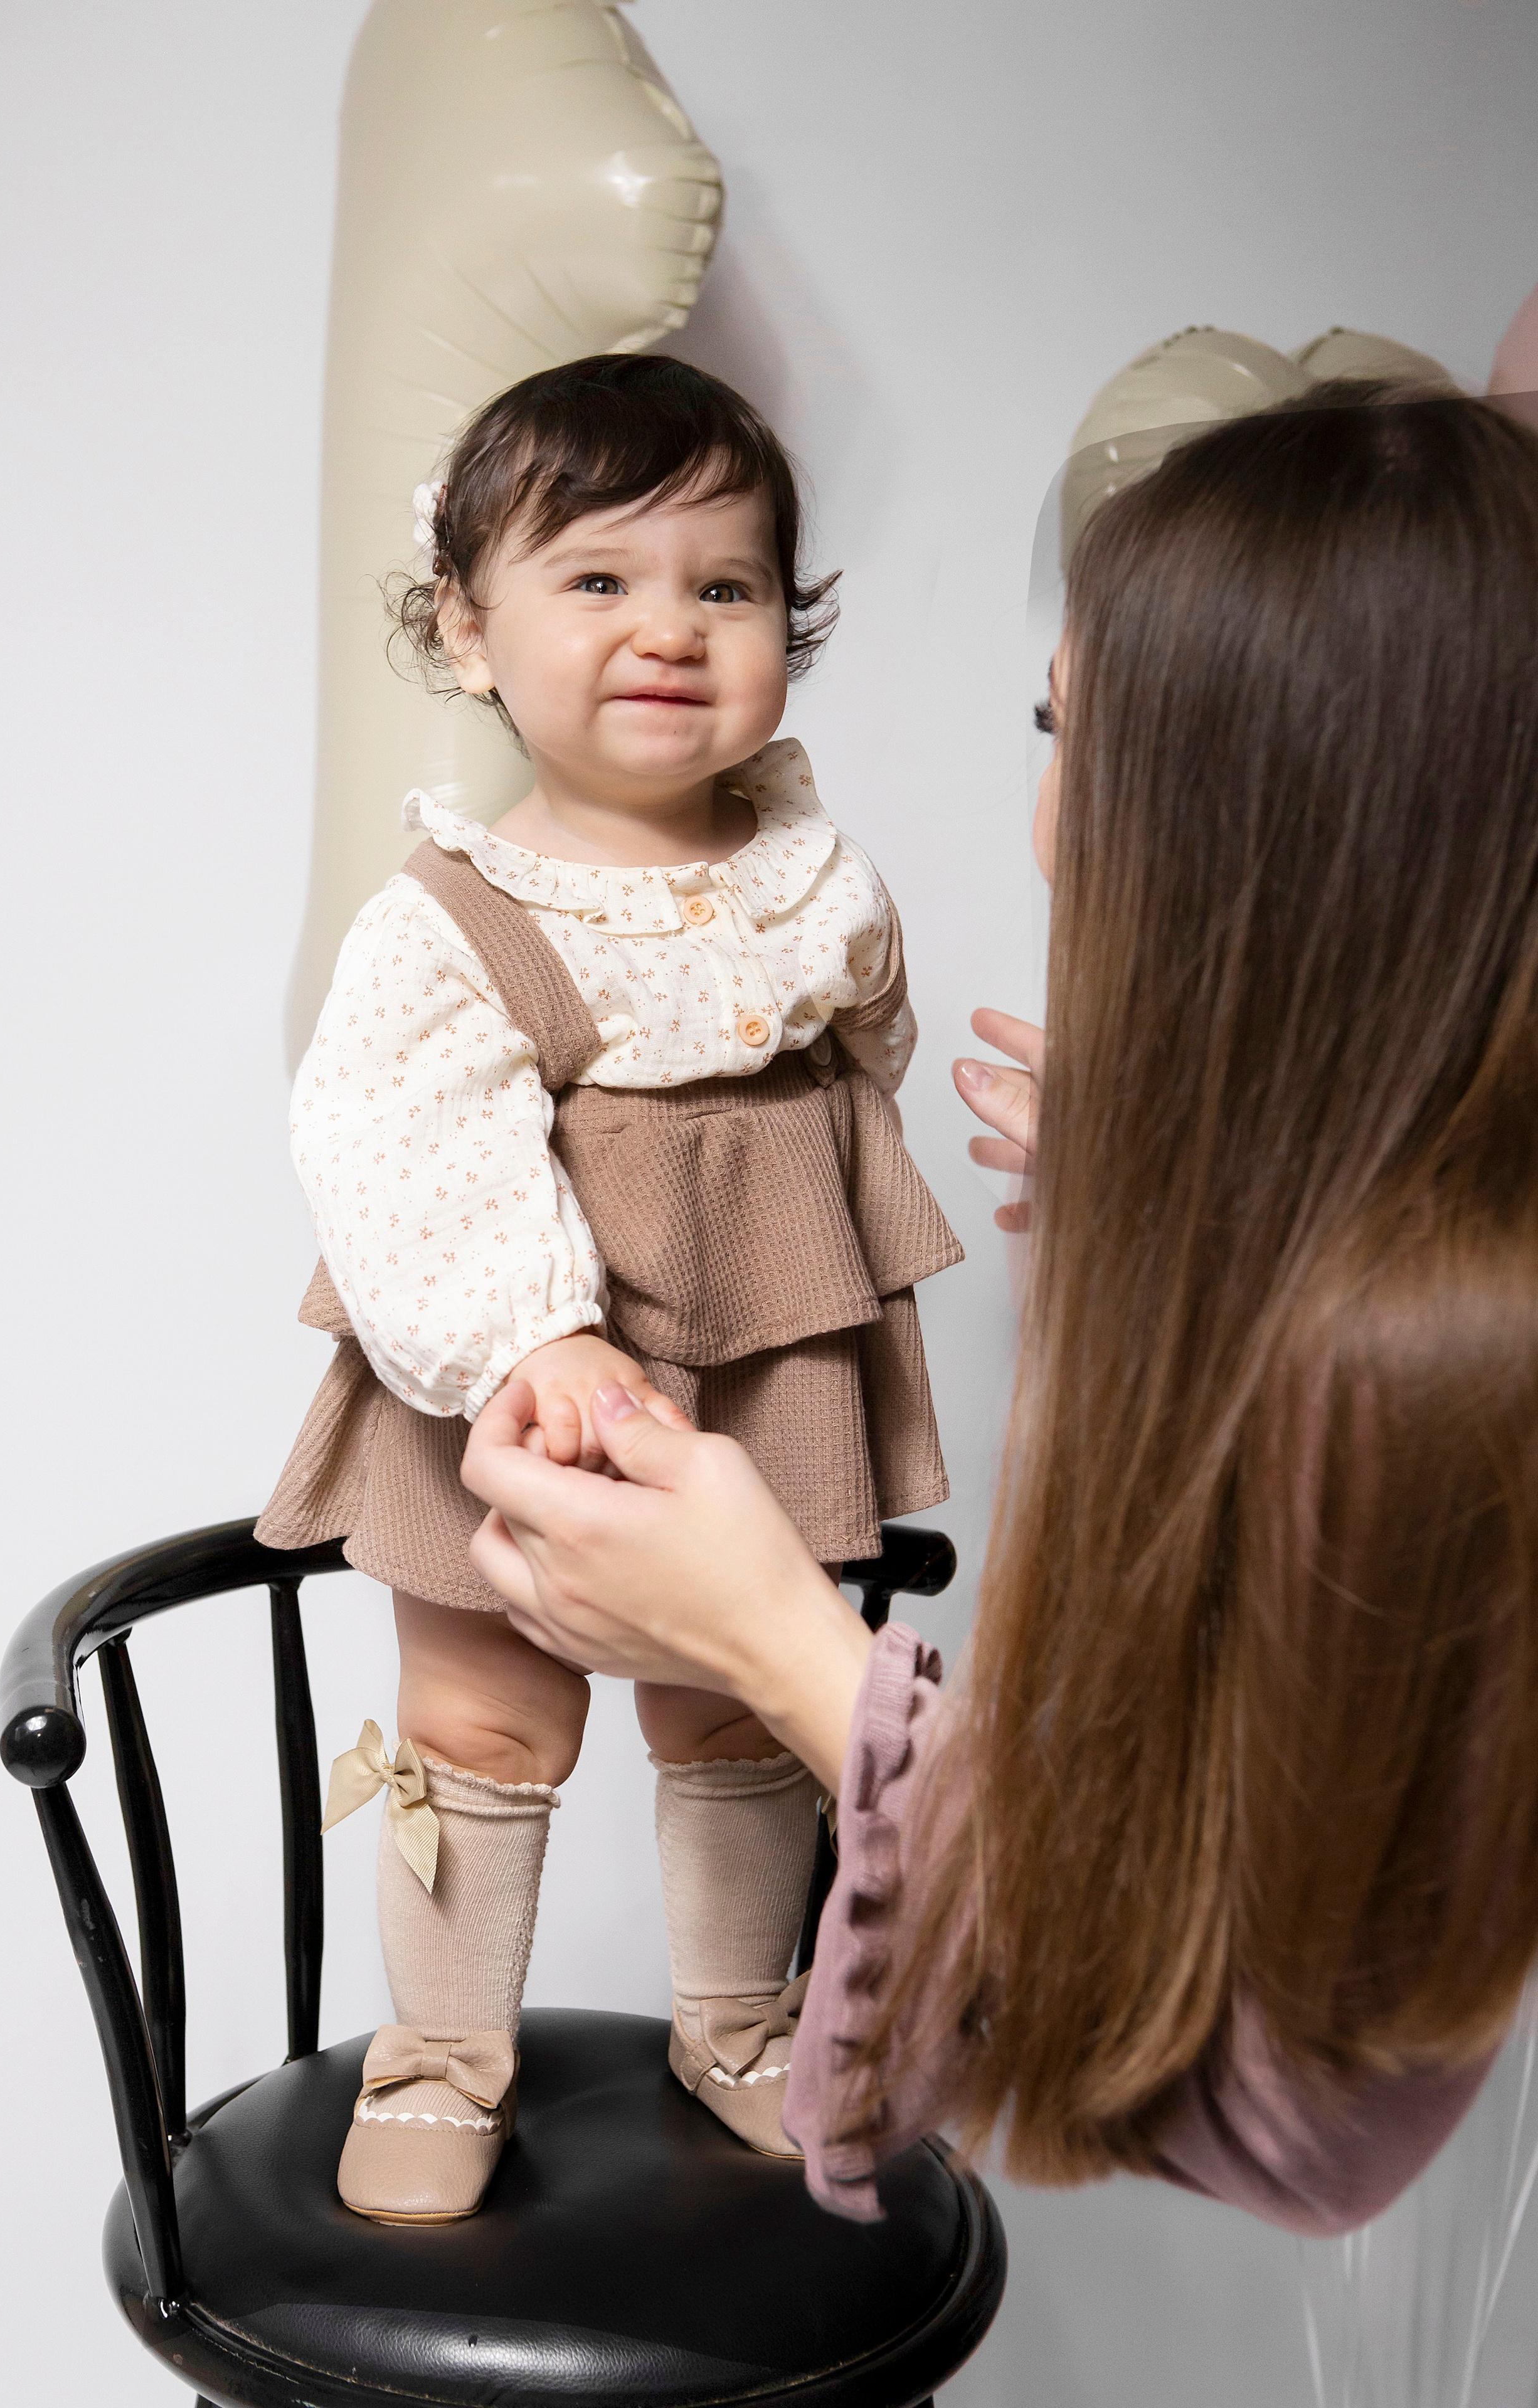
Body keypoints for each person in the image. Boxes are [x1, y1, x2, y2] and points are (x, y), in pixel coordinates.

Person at [460, 387, 1538, 2235]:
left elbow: (1299, 2124)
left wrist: (781, 1645)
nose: (1048, 828)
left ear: (1265, 831)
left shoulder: (1422, 1358)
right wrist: (1186, 1222)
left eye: (1083, 740)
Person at [257, 354, 963, 2222]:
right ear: (467, 632)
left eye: (724, 588)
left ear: (787, 632)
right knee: (485, 1718)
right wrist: (530, 1335)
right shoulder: (452, 913)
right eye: (600, 580)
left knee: (741, 1707)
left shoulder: (821, 880)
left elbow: (861, 1071)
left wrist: (800, 1239)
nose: (670, 628)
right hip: (510, 1386)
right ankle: (437, 2053)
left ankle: (744, 2018)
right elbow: (405, 1152)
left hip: (756, 1360)